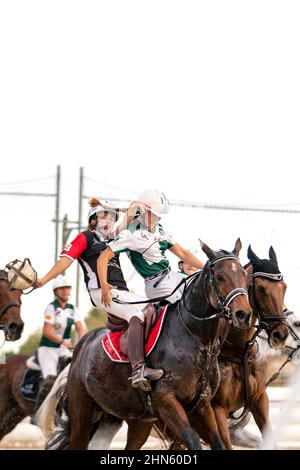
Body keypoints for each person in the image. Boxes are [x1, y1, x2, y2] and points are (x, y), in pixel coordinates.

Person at [36, 197, 163, 391]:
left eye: (112, 217)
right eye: (104, 216)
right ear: (93, 220)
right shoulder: (85, 237)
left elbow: (132, 212)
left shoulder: (113, 237)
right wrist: (44, 280)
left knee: (157, 308)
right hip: (100, 292)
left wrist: (135, 204)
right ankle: (138, 369)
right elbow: (65, 261)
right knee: (136, 314)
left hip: (122, 292)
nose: (109, 220)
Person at [98, 189, 205, 308]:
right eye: (153, 214)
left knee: (203, 292)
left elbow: (183, 254)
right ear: (142, 211)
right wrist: (104, 285)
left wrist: (207, 268)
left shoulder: (160, 229)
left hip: (171, 276)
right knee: (185, 308)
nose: (157, 219)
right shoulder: (130, 233)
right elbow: (103, 257)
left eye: (159, 216)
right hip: (156, 285)